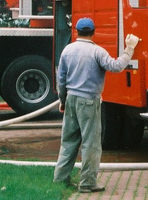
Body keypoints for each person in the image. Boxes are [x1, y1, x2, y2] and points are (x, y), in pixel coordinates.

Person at [53, 17, 140, 193]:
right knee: (91, 144)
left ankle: (60, 179)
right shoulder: (97, 52)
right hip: (89, 101)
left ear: (77, 31)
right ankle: (87, 183)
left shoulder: (67, 50)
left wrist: (63, 100)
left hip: (71, 99)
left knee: (68, 142)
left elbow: (60, 79)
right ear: (93, 32)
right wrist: (130, 48)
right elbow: (116, 67)